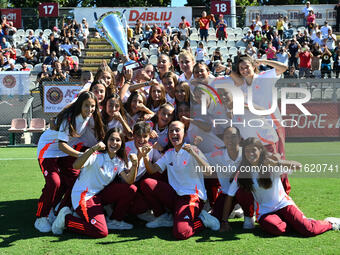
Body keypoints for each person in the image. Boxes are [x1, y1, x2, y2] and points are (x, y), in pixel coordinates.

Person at [225, 137, 340, 237]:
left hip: (283, 204)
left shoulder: (270, 165)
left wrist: (278, 163)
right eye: (247, 151)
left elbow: (298, 166)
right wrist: (224, 221)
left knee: (308, 230)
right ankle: (295, 224)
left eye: (253, 150)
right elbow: (230, 195)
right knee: (275, 229)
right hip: (265, 212)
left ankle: (330, 223)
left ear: (260, 150)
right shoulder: (242, 172)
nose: (250, 153)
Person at [34, 91, 105, 233]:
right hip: (48, 151)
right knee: (54, 183)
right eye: (86, 106)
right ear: (80, 105)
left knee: (75, 181)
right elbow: (61, 145)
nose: (90, 109)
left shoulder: (91, 117)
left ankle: (59, 211)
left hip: (65, 153)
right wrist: (81, 154)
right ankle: (41, 216)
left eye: (92, 106)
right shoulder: (69, 118)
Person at [139, 120, 220, 239]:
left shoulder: (193, 149)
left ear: (185, 134)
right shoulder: (169, 153)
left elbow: (209, 171)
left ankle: (203, 220)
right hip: (175, 197)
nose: (174, 133)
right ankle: (163, 217)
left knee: (181, 232)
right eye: (171, 131)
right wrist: (145, 157)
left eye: (177, 130)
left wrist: (194, 153)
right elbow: (152, 170)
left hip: (191, 196)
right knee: (147, 183)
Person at [52, 128, 139, 237]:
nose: (114, 143)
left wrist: (135, 165)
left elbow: (129, 181)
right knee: (100, 231)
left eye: (118, 140)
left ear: (122, 143)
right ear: (106, 140)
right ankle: (66, 219)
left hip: (99, 195)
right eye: (111, 139)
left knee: (131, 189)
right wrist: (92, 149)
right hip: (84, 196)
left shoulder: (119, 161)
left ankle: (115, 220)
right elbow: (76, 166)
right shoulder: (96, 155)